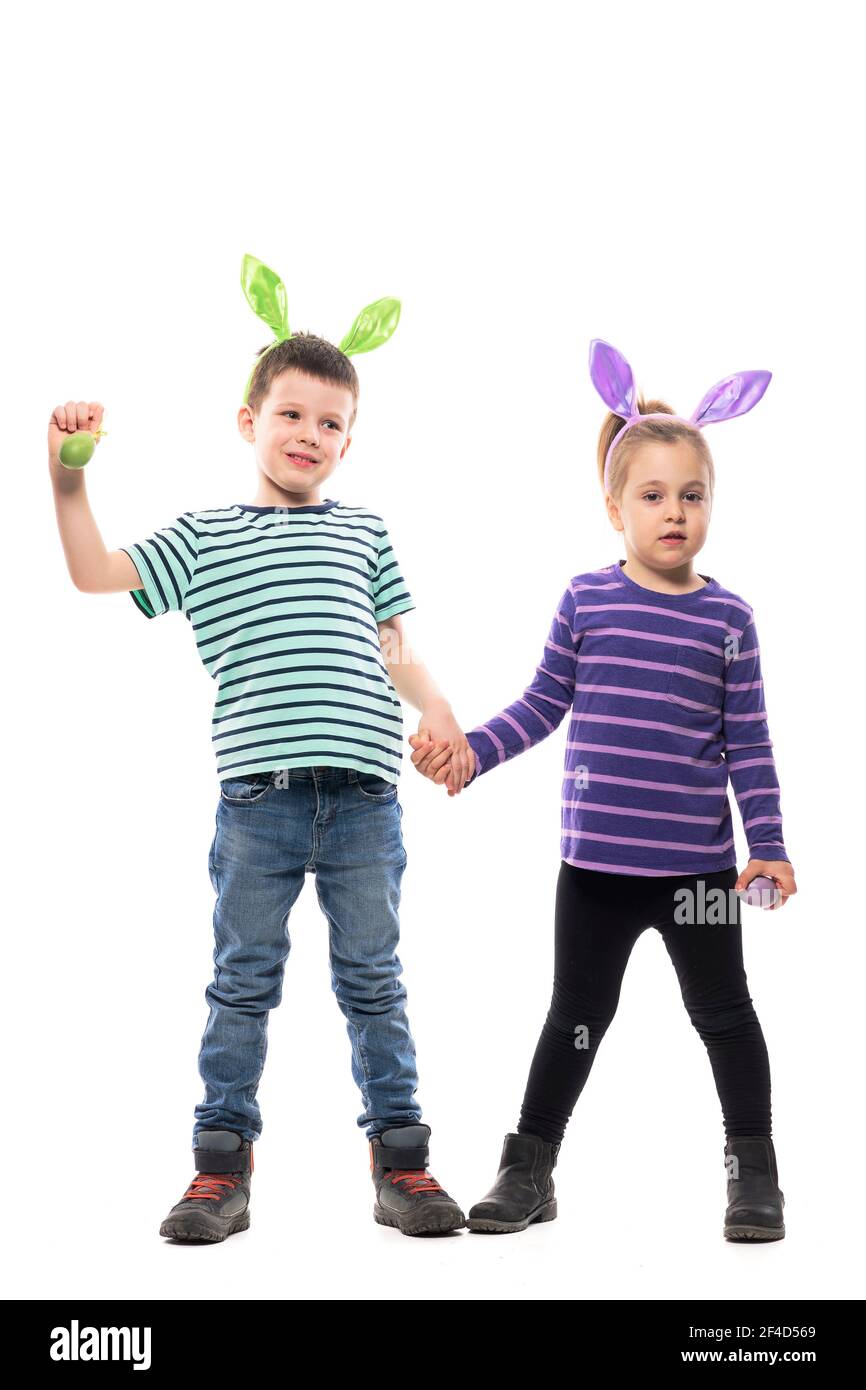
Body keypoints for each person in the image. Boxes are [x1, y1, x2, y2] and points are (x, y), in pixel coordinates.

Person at [46, 258, 475, 1242]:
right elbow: (93, 573)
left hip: (365, 797)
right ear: (249, 421)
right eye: (290, 415)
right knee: (242, 977)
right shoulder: (203, 535)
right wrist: (68, 478)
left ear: (348, 442)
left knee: (373, 976)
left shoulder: (363, 532)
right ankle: (218, 1170)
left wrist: (440, 710)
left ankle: (400, 1165)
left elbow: (394, 643)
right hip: (259, 803)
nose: (308, 437)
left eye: (330, 424)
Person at [410, 339, 797, 1242]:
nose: (674, 512)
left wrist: (768, 845)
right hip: (595, 873)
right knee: (575, 1020)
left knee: (728, 1019)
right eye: (653, 495)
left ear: (712, 506)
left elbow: (752, 746)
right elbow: (542, 705)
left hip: (699, 875)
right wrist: (469, 752)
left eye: (692, 495)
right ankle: (529, 1167)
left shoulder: (729, 619)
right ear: (614, 506)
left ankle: (754, 1173)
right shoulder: (588, 600)